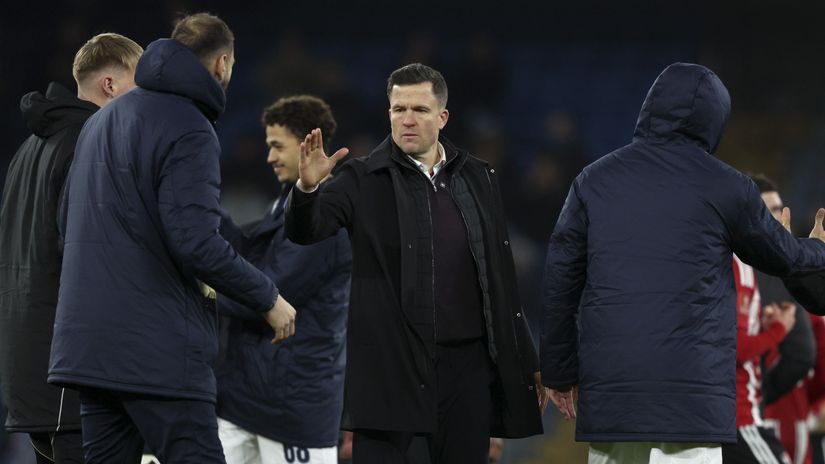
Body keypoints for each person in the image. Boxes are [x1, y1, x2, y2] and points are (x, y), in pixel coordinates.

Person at [540, 62, 825, 464]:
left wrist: (558, 371)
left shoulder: (594, 180)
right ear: (715, 119)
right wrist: (818, 248)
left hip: (616, 397)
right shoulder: (728, 185)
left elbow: (559, 283)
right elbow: (783, 256)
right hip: (693, 402)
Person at [47, 13, 295, 463]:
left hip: (90, 351)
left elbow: (67, 229)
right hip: (155, 354)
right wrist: (268, 298)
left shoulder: (100, 122)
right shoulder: (188, 125)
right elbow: (196, 242)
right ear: (222, 64)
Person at [284, 63, 548, 464]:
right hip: (391, 368)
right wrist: (306, 189)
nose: (407, 119)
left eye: (419, 110)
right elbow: (307, 230)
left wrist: (527, 360)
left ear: (442, 117)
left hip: (467, 371)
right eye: (398, 108)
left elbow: (499, 277)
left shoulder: (478, 176)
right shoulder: (361, 177)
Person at [0, 32, 142, 463]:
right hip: (72, 374)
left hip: (29, 366)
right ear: (111, 85)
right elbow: (91, 254)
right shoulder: (90, 143)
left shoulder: (29, 147)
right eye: (139, 87)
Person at [215, 95, 351, 464]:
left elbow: (269, 290)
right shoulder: (285, 204)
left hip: (294, 412)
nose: (269, 157)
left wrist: (204, 291)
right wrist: (205, 206)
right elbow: (247, 253)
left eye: (277, 147)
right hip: (244, 400)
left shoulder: (325, 216)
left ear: (309, 145)